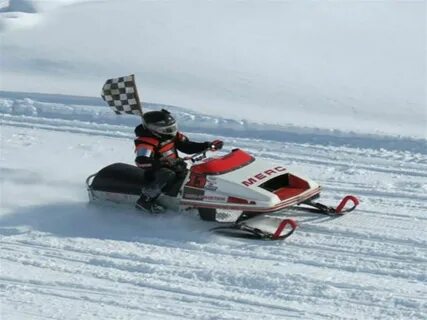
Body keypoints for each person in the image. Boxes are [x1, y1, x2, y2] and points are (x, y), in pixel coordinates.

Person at [134, 109, 223, 213]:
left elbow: (187, 147)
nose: (171, 131)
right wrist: (163, 163)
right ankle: (145, 200)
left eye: (172, 127)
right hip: (155, 172)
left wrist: (206, 145)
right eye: (167, 129)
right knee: (167, 174)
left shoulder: (172, 136)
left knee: (194, 174)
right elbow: (142, 161)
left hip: (176, 165)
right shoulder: (147, 142)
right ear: (154, 129)